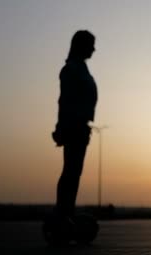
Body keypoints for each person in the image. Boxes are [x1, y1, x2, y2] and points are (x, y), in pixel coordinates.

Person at [52, 30, 97, 219]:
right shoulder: (71, 69)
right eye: (91, 45)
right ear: (81, 45)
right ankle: (63, 213)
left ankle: (66, 211)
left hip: (80, 126)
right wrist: (62, 127)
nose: (94, 49)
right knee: (71, 171)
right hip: (74, 126)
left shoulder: (81, 68)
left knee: (74, 171)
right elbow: (65, 101)